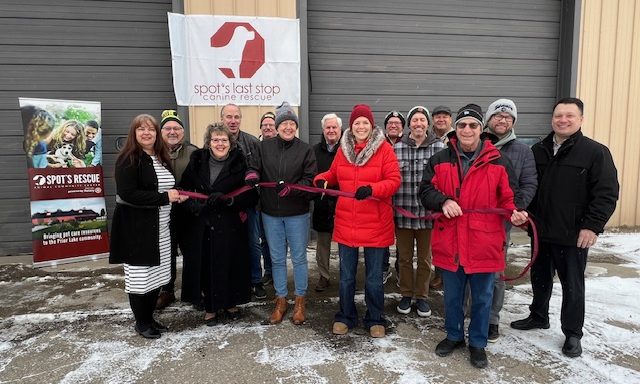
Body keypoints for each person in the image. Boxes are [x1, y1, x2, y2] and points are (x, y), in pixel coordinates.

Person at [419, 104, 528, 368]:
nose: (467, 129)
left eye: (473, 125)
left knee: (482, 298)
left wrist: (516, 212)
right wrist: (443, 200)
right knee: (453, 296)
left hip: (484, 241)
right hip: (451, 240)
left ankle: (478, 342)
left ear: (482, 129)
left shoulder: (498, 161)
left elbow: (510, 197)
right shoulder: (440, 159)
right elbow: (425, 191)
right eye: (462, 125)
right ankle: (454, 335)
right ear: (456, 129)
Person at [510, 97, 619, 358]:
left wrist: (592, 227)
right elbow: (529, 186)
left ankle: (572, 333)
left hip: (573, 234)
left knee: (572, 284)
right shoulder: (538, 150)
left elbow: (606, 193)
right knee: (540, 277)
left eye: (570, 116)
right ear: (552, 118)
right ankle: (538, 315)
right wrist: (526, 216)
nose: (563, 120)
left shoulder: (595, 152)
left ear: (580, 119)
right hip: (541, 230)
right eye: (559, 115)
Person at [315, 104, 401, 338]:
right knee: (346, 276)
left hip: (375, 223)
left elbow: (394, 180)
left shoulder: (384, 149)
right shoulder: (343, 150)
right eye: (356, 123)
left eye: (364, 122)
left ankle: (375, 317)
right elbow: (333, 174)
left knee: (373, 278)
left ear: (371, 125)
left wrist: (372, 189)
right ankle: (345, 315)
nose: (360, 126)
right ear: (351, 127)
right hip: (347, 223)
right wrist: (322, 179)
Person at [109, 114, 187, 339]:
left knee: (157, 275)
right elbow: (128, 194)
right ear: (133, 133)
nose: (146, 133)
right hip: (137, 230)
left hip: (160, 228)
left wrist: (176, 196)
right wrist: (165, 198)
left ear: (157, 133)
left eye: (151, 129)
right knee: (140, 278)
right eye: (141, 129)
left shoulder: (160, 157)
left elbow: (164, 189)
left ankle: (150, 318)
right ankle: (141, 323)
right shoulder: (129, 158)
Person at [246, 102, 317, 325]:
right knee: (276, 258)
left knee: (298, 258)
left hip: (297, 213)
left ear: (295, 126)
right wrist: (251, 175)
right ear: (276, 127)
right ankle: (280, 299)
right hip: (270, 213)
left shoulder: (305, 149)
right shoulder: (264, 147)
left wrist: (293, 189)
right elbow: (254, 166)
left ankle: (300, 300)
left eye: (291, 123)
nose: (287, 127)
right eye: (283, 123)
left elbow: (310, 180)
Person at [180, 123, 258, 325]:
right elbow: (185, 188)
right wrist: (195, 205)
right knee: (206, 264)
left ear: (230, 143)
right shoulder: (196, 160)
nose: (220, 143)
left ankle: (230, 303)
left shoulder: (240, 163)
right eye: (215, 139)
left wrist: (232, 201)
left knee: (230, 263)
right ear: (208, 142)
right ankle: (210, 308)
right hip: (203, 223)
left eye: (224, 140)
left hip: (230, 223)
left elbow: (251, 195)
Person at [482, 99, 537, 342]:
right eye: (497, 115)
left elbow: (529, 183)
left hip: (499, 221)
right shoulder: (475, 142)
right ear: (489, 119)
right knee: (465, 268)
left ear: (513, 121)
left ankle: (491, 319)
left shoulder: (522, 151)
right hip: (471, 216)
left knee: (494, 271)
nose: (502, 120)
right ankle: (466, 312)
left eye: (508, 117)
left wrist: (517, 207)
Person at [393, 106, 445, 317]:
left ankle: (422, 297)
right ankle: (406, 294)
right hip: (403, 214)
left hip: (427, 216)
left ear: (427, 124)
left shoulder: (439, 148)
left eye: (422, 120)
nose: (418, 124)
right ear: (409, 124)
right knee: (404, 258)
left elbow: (443, 180)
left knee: (425, 259)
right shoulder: (397, 148)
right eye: (414, 120)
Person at [221, 103, 267, 299]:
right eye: (228, 117)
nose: (232, 121)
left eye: (236, 117)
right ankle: (232, 281)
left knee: (253, 243)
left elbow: (260, 170)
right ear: (222, 118)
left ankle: (256, 280)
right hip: (224, 205)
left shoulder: (252, 142)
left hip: (248, 204)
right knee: (228, 244)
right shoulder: (215, 141)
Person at [155, 109, 199, 310]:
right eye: (168, 128)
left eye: (177, 128)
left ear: (183, 131)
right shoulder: (152, 152)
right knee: (166, 251)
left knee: (192, 251)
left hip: (188, 210)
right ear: (161, 131)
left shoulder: (194, 152)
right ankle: (167, 290)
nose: (172, 132)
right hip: (163, 210)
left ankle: (193, 290)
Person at [312, 113, 342, 292]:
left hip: (343, 205)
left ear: (340, 130)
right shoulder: (314, 151)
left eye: (334, 127)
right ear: (323, 130)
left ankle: (346, 276)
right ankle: (324, 276)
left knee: (346, 246)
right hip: (322, 205)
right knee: (323, 244)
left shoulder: (348, 149)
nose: (331, 131)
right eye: (327, 128)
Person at [427, 105, 453, 291]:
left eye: (444, 116)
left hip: (451, 193)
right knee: (438, 241)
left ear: (450, 120)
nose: (441, 119)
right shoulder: (429, 138)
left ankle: (446, 274)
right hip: (435, 194)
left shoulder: (457, 136)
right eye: (437, 116)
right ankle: (439, 273)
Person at [382, 110, 406, 283]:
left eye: (397, 123)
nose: (393, 125)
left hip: (403, 199)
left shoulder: (408, 144)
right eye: (390, 123)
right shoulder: (378, 144)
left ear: (403, 127)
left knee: (402, 240)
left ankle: (400, 269)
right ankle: (383, 268)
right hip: (383, 199)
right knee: (383, 237)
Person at [257, 111, 275, 285]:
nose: (268, 127)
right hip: (259, 203)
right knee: (263, 240)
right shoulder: (256, 146)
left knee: (277, 242)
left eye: (271, 124)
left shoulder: (281, 146)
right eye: (265, 125)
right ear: (261, 128)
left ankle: (278, 271)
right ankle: (268, 271)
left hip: (278, 202)